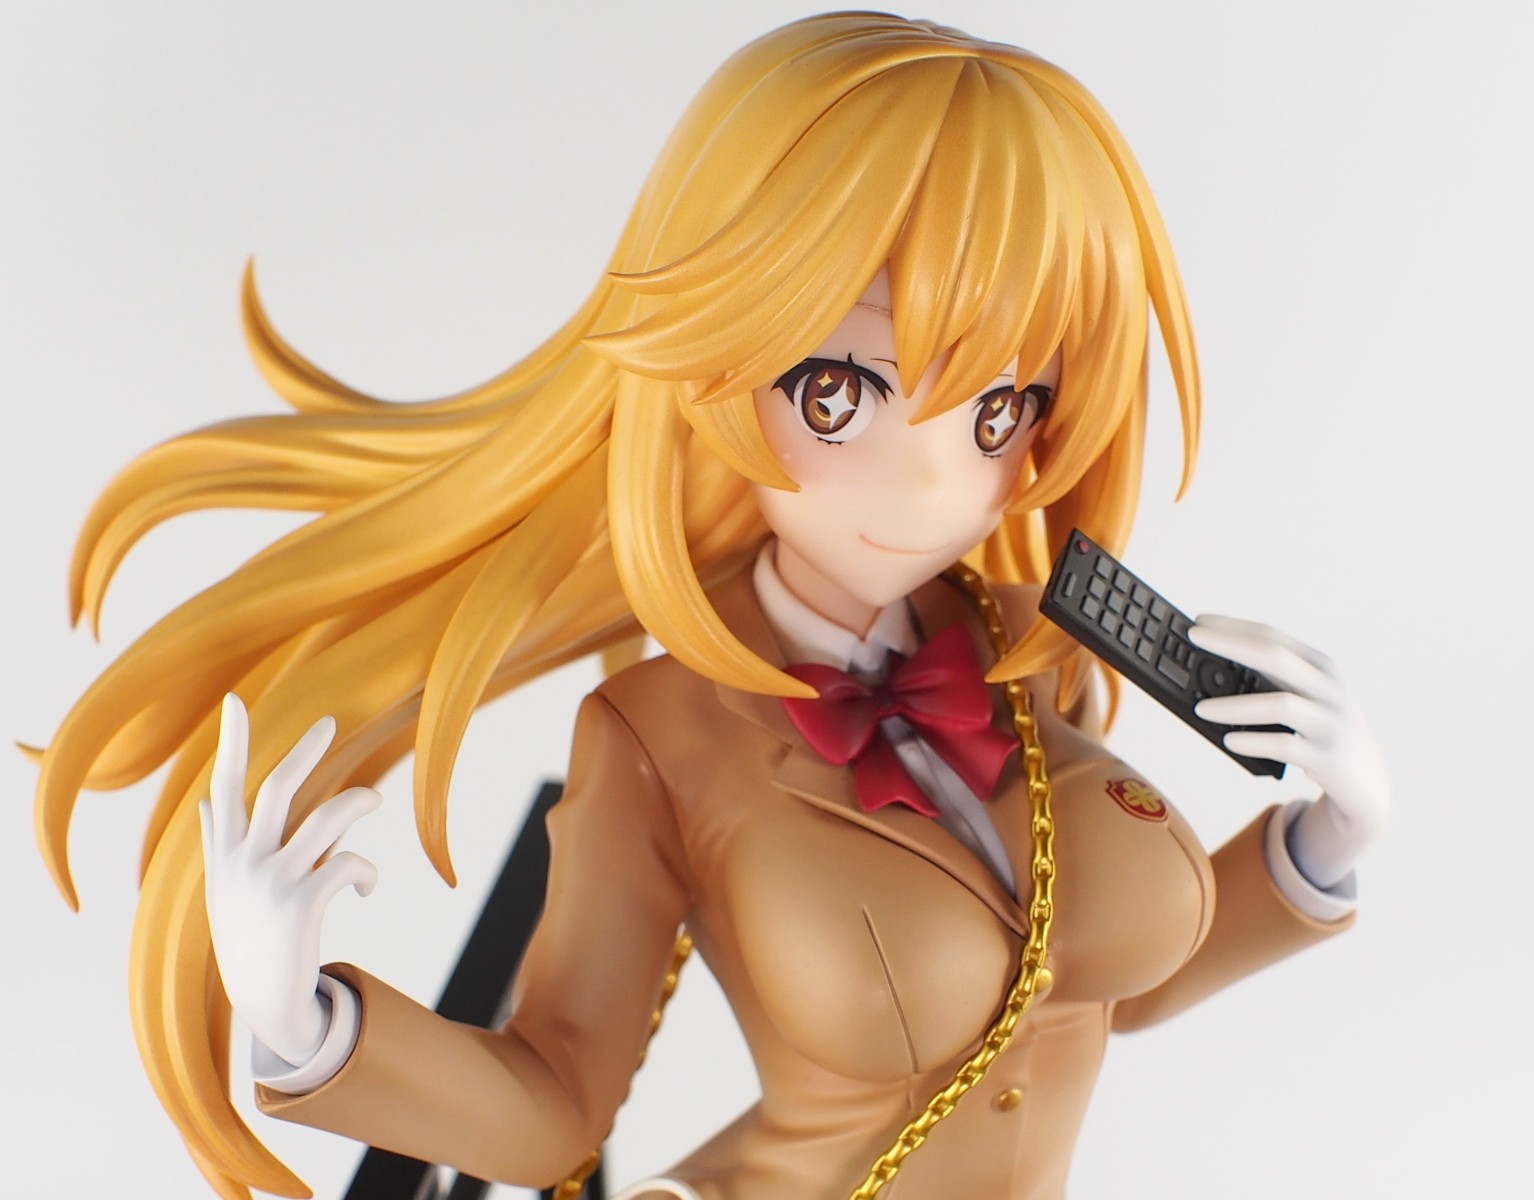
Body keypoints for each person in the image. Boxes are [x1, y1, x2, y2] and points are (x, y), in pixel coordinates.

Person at [33, 13, 1389, 1199]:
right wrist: (306, 1019)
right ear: (715, 362)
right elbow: (557, 1097)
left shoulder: (1031, 643)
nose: (930, 484)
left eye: (999, 407)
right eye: (839, 392)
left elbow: (1096, 982)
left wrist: (1327, 837)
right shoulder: (657, 737)